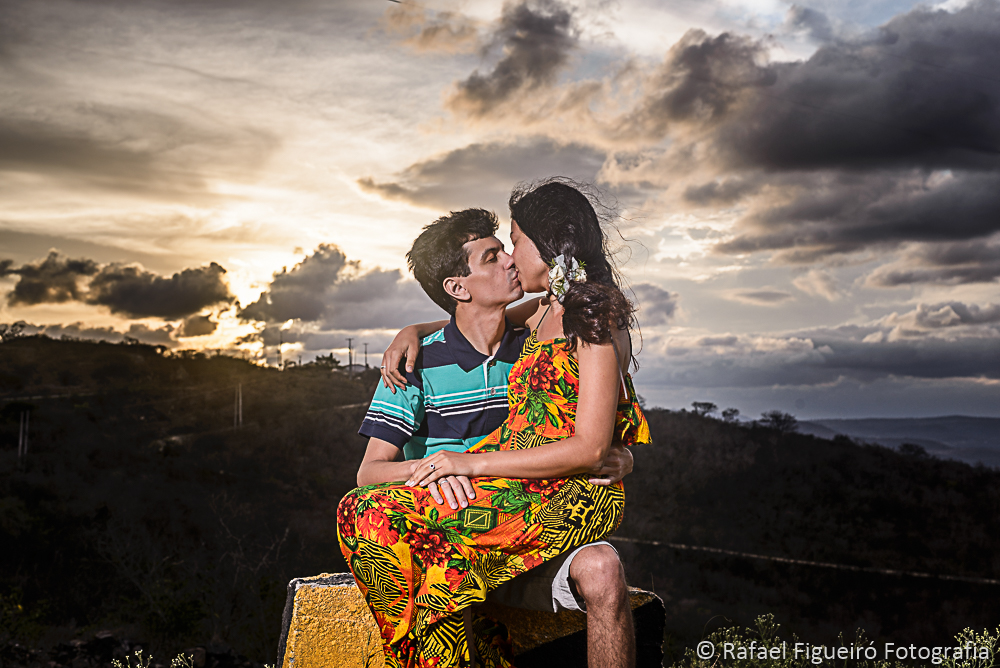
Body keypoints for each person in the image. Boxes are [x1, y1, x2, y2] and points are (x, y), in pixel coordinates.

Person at [337, 179, 650, 668]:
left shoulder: (583, 315)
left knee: (385, 529)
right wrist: (411, 330)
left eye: (515, 243)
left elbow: (590, 443)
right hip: (515, 491)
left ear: (549, 246)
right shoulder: (543, 310)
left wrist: (467, 463)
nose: (509, 257)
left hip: (555, 492)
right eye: (495, 254)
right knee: (361, 512)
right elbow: (468, 322)